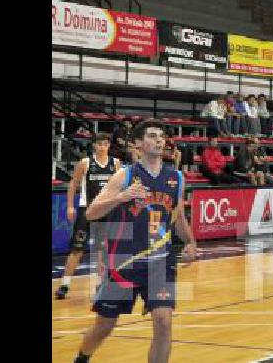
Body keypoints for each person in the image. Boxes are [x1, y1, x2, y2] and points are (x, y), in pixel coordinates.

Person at [72, 119, 198, 363]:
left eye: (161, 136)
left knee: (163, 322)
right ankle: (81, 358)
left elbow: (179, 217)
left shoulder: (176, 178)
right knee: (104, 325)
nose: (159, 140)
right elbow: (90, 213)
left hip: (160, 261)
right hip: (124, 262)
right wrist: (121, 197)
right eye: (152, 136)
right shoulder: (125, 175)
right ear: (138, 144)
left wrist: (191, 243)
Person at [56, 133, 122, 300]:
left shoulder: (115, 164)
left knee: (103, 249)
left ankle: (101, 283)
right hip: (87, 211)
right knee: (77, 249)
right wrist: (71, 206)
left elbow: (120, 186)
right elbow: (73, 184)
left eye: (105, 144)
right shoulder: (85, 163)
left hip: (106, 211)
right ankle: (65, 284)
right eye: (99, 144)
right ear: (94, 146)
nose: (102, 147)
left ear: (108, 145)